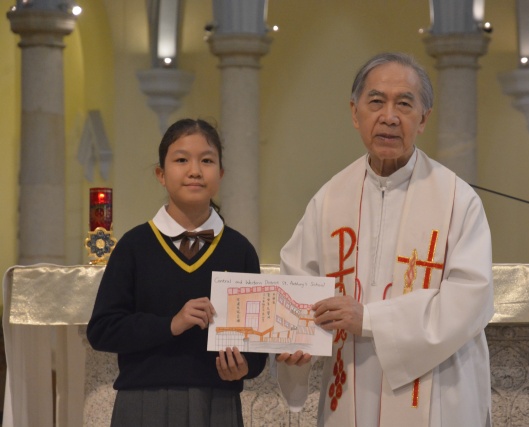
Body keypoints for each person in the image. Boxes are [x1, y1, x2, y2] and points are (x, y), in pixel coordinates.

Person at [275, 52, 494, 426]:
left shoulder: (457, 200)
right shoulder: (328, 201)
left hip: (435, 395)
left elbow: (470, 300)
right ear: (354, 112)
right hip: (350, 390)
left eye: (404, 104)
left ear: (423, 118)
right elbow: (297, 286)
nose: (389, 117)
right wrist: (296, 345)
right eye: (376, 101)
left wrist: (371, 319)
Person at [87, 118, 267, 427]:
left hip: (218, 405)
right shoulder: (135, 246)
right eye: (181, 160)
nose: (195, 171)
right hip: (144, 402)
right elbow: (102, 330)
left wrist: (245, 367)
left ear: (221, 174)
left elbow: (257, 349)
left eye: (207, 161)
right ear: (161, 174)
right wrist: (170, 324)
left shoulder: (239, 250)